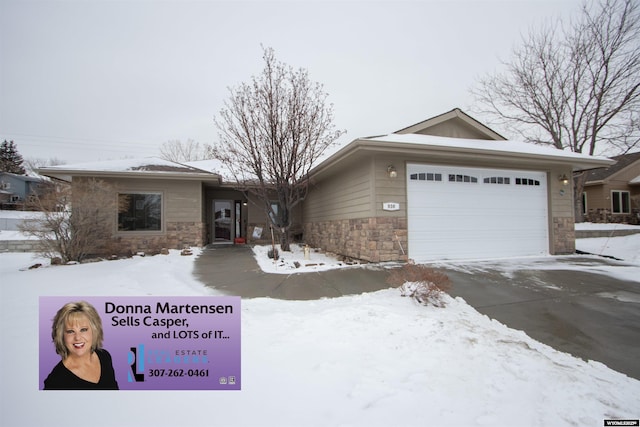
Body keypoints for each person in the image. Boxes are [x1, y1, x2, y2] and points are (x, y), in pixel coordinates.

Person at [44, 301, 119, 390]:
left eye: (83, 330)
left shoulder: (104, 356)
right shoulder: (55, 381)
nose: (78, 338)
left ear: (94, 331)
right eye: (70, 331)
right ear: (61, 336)